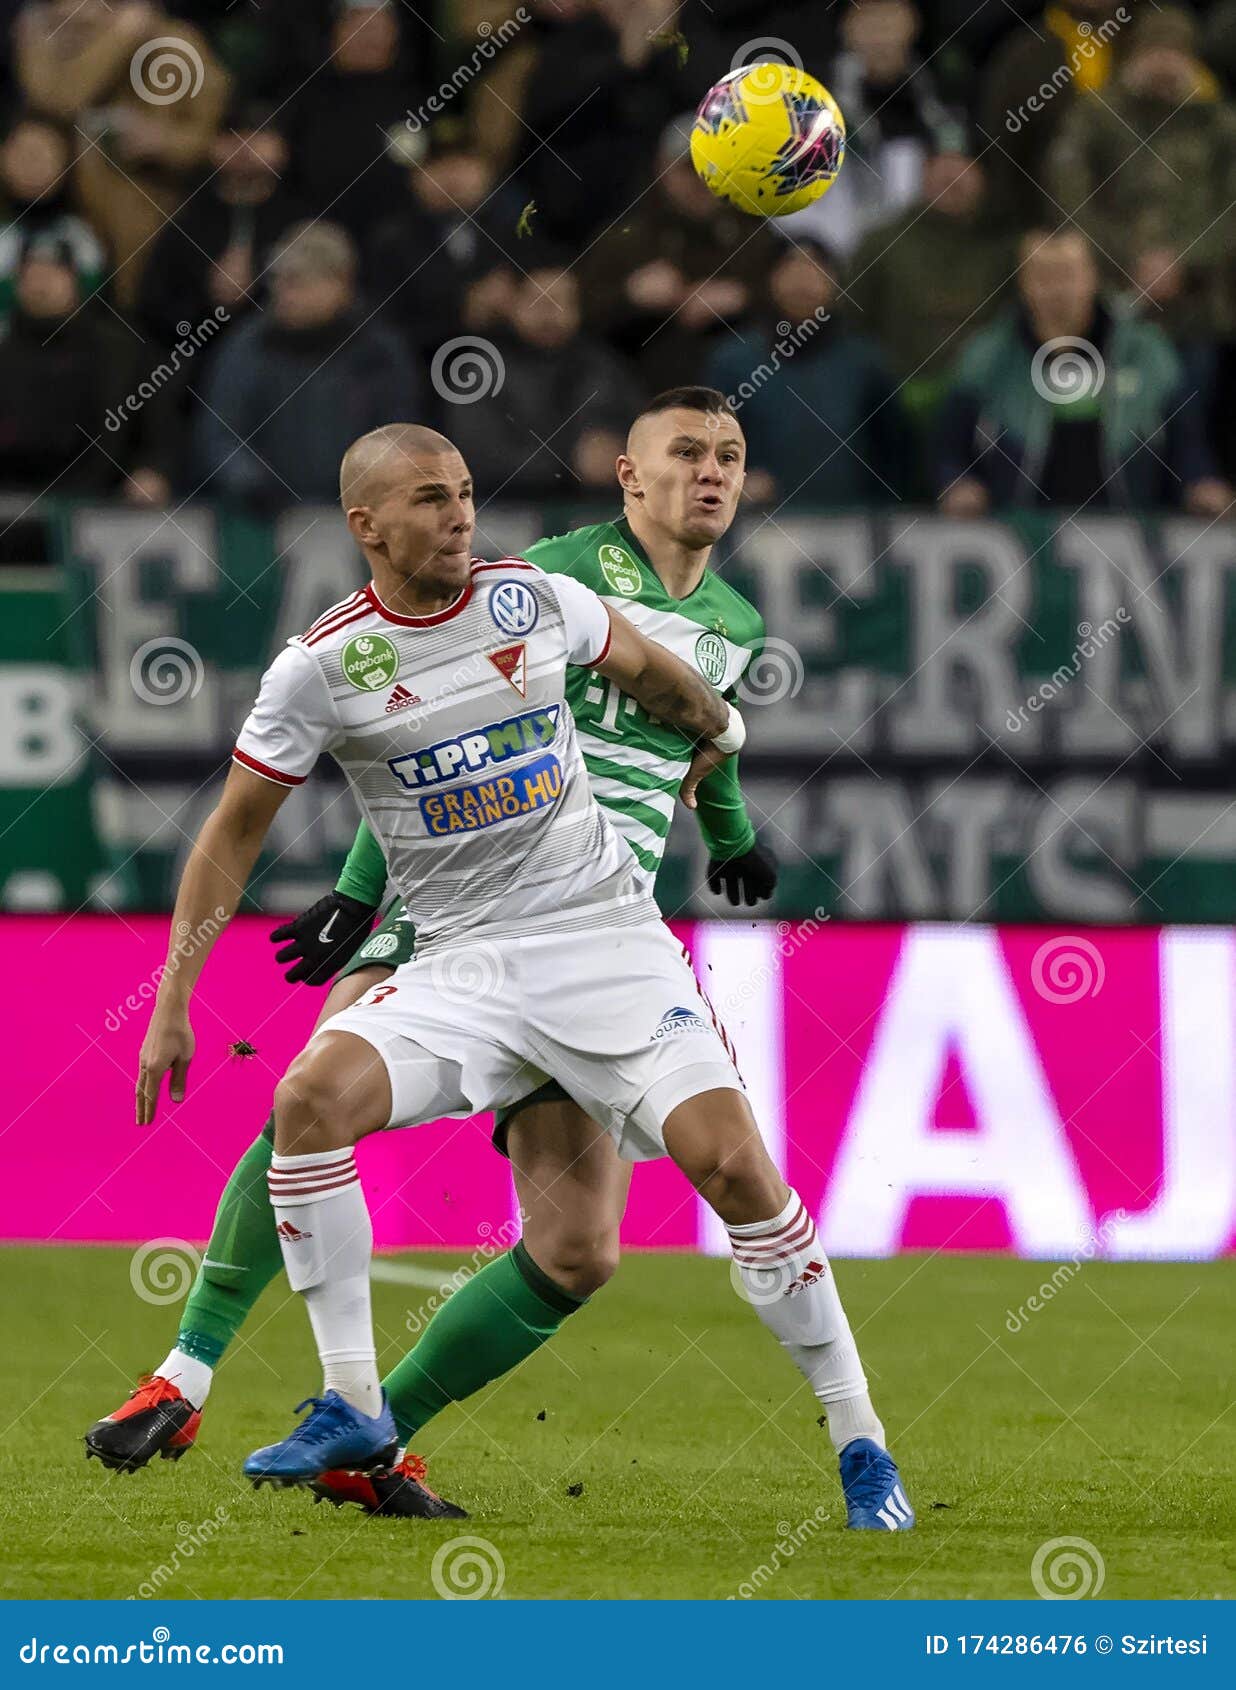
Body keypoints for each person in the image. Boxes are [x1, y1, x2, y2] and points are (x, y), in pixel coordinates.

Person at [96, 413, 913, 1533]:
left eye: (469, 490)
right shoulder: (356, 653)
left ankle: (863, 1446)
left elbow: (676, 696)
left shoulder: (566, 602)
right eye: (433, 498)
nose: (463, 514)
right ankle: (292, 1393)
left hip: (606, 938)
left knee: (672, 1202)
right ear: (367, 525)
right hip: (455, 948)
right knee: (306, 1100)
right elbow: (234, 831)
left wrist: (724, 783)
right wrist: (214, 978)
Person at [935, 228, 1233, 518]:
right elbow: (949, 448)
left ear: (1092, 279)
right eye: (1043, 277)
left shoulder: (1147, 352)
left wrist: (1201, 483)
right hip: (1022, 531)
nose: (1056, 290)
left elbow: (1187, 445)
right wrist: (957, 484)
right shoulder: (987, 356)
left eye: (1067, 275)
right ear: (1023, 284)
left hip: (1131, 531)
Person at [191, 220, 421, 511]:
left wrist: (370, 487)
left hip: (359, 520)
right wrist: (251, 483)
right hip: (265, 522)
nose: (283, 294)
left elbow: (400, 433)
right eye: (278, 280)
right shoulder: (248, 346)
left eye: (298, 281)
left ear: (340, 282)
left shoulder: (380, 352)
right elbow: (220, 433)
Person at [705, 239, 911, 509]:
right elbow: (705, 447)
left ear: (835, 282)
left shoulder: (866, 364)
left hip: (854, 528)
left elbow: (895, 456)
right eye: (790, 268)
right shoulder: (732, 362)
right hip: (758, 529)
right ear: (769, 281)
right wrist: (734, 482)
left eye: (815, 268)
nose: (802, 279)